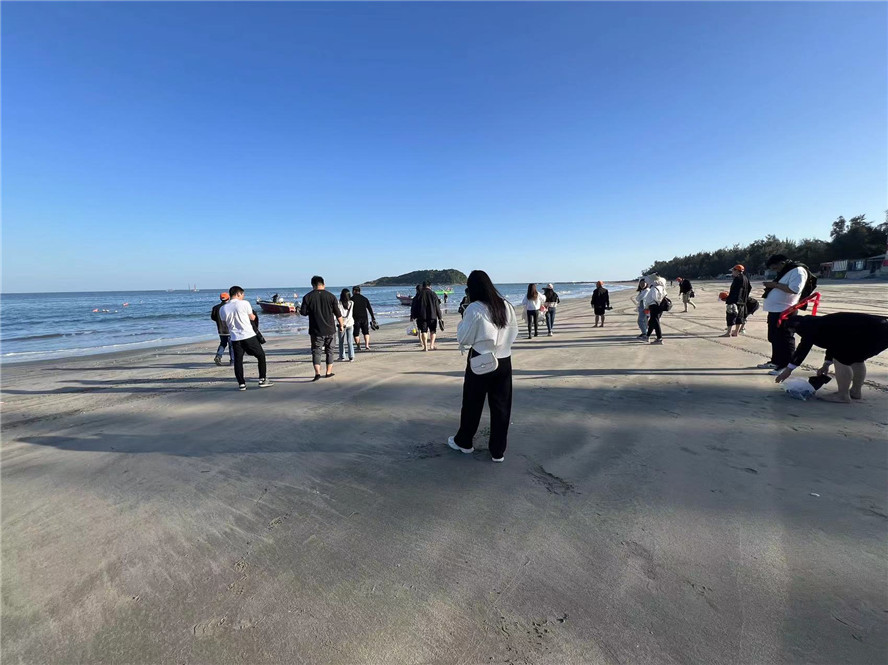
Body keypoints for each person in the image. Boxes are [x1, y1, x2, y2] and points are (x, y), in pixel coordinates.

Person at [448, 270, 519, 462]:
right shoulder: (506, 305)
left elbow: (464, 337)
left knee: (472, 403)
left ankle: (464, 442)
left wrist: (462, 323)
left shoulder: (475, 308)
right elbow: (514, 332)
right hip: (504, 359)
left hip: (481, 359)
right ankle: (498, 451)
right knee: (501, 406)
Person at [775, 313, 888, 403]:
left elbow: (803, 348)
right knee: (857, 360)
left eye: (792, 331)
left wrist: (788, 370)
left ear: (794, 327)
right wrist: (826, 364)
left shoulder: (806, 327)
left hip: (873, 332)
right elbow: (834, 342)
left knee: (841, 360)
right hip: (881, 330)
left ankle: (843, 395)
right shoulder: (818, 323)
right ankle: (855, 392)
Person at [757, 254, 808, 374]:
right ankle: (776, 361)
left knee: (785, 338)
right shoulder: (786, 271)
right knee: (774, 338)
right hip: (775, 310)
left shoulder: (797, 271)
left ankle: (786, 365)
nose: (776, 270)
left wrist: (774, 285)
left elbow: (795, 289)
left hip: (786, 310)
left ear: (782, 263)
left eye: (775, 268)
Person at [220, 286, 272, 390]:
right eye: (242, 294)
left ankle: (241, 383)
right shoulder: (244, 303)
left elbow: (224, 323)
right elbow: (252, 317)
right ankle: (262, 379)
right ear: (238, 294)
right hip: (248, 335)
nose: (243, 296)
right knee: (261, 355)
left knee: (238, 360)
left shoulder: (223, 308)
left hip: (235, 337)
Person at [299, 275, 344, 381]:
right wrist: (341, 325)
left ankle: (317, 373)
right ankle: (328, 372)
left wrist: (305, 310)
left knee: (316, 351)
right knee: (330, 351)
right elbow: (338, 313)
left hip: (316, 330)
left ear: (313, 285)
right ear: (323, 284)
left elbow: (303, 313)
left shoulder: (307, 297)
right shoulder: (331, 296)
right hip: (330, 329)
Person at [411, 281, 443, 351]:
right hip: (432, 316)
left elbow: (414, 306)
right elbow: (437, 306)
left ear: (423, 286)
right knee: (433, 331)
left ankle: (425, 347)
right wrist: (440, 317)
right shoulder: (433, 294)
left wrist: (413, 315)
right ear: (430, 286)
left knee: (423, 331)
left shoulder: (419, 294)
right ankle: (431, 345)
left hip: (421, 316)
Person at [722, 264, 750, 337]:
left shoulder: (737, 278)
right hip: (742, 301)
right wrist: (745, 297)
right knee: (739, 317)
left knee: (730, 316)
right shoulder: (745, 278)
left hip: (735, 301)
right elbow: (749, 288)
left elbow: (734, 291)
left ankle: (728, 333)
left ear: (737, 270)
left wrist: (729, 300)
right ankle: (736, 332)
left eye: (733, 271)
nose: (732, 272)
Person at [210, 292, 235, 366]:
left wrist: (219, 321)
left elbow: (213, 317)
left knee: (223, 343)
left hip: (221, 329)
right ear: (228, 298)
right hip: (230, 329)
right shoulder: (230, 307)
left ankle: (218, 356)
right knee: (231, 345)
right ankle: (232, 360)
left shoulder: (215, 307)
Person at [642, 274, 667, 344]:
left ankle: (659, 338)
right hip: (659, 306)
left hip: (654, 306)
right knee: (652, 322)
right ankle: (647, 336)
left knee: (655, 322)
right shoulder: (661, 286)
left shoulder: (654, 288)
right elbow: (664, 295)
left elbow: (654, 298)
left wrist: (647, 306)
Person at [350, 286, 377, 351]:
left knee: (356, 333)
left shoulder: (351, 299)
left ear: (354, 291)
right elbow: (370, 309)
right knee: (366, 332)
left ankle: (358, 346)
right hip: (364, 318)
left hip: (355, 318)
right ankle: (367, 345)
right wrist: (373, 317)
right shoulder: (365, 298)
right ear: (359, 291)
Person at [338, 288, 355, 362]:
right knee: (349, 341)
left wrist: (342, 324)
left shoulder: (338, 303)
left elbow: (338, 315)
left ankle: (342, 356)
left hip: (341, 324)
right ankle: (351, 356)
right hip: (350, 323)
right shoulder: (351, 303)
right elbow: (350, 315)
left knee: (341, 341)